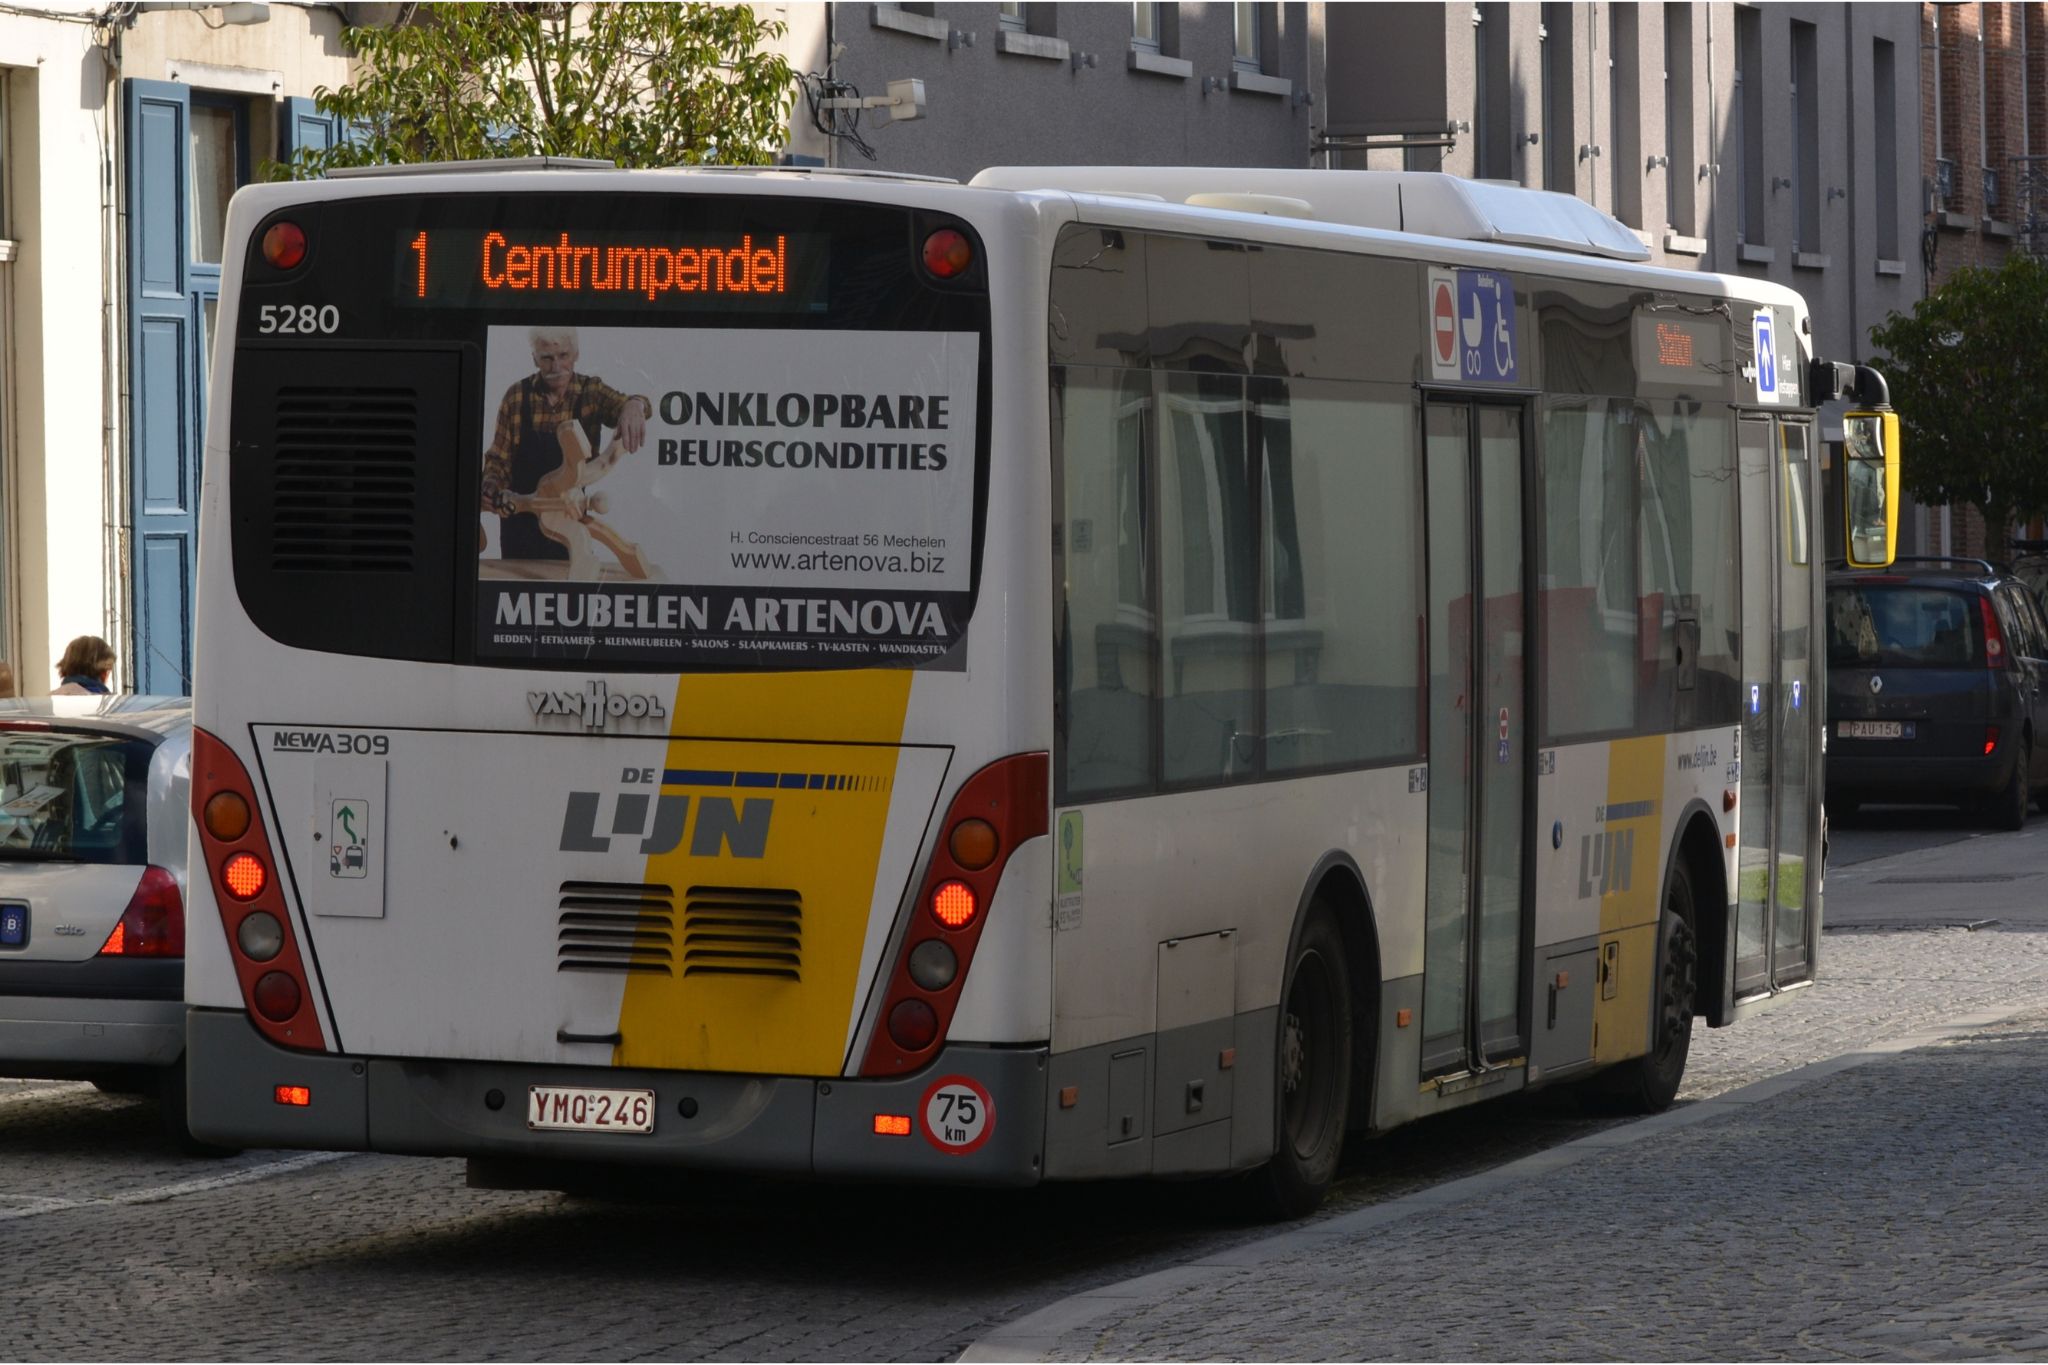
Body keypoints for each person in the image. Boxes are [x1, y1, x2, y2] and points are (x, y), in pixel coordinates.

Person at [479, 327, 651, 563]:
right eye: (547, 358)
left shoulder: (591, 392)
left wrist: (635, 405)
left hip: (570, 519)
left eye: (564, 356)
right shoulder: (516, 397)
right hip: (519, 522)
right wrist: (489, 486)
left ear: (576, 354)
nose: (556, 367)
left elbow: (629, 404)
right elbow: (499, 460)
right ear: (534, 358)